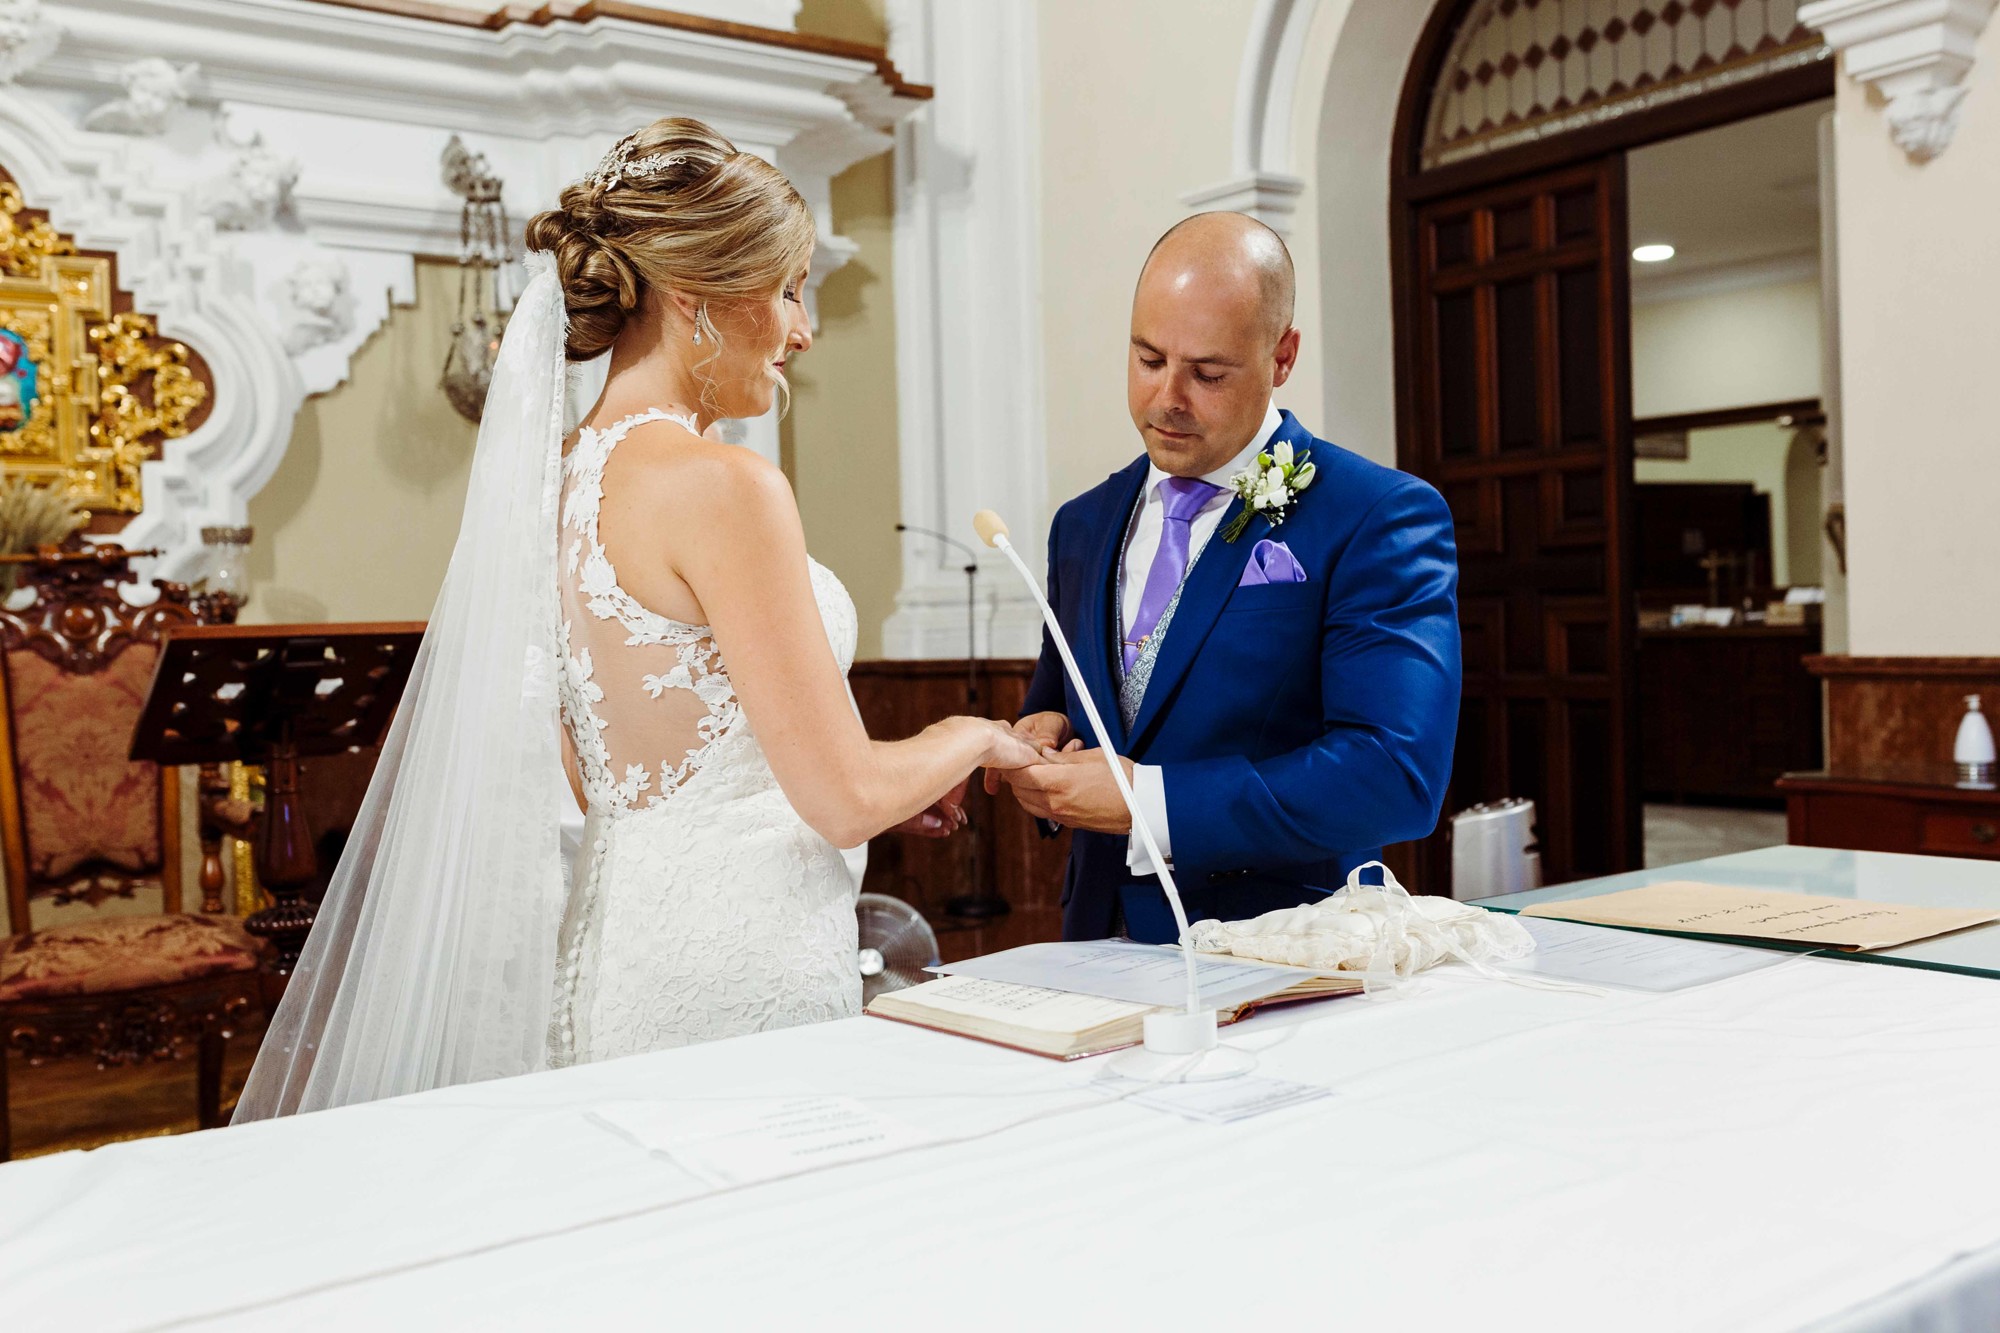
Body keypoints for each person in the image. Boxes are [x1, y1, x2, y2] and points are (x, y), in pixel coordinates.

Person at [236, 119, 1038, 1119]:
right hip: (745, 960)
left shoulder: (560, 481)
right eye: (788, 291)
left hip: (620, 952)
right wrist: (965, 734)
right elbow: (840, 798)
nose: (803, 329)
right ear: (698, 301)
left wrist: (841, 784)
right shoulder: (723, 486)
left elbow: (608, 762)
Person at [991, 212, 1460, 944]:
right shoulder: (1079, 525)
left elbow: (1393, 773)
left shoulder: (1377, 516)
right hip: (1092, 936)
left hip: (1282, 951)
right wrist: (1044, 737)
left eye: (1208, 373)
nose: (1167, 398)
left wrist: (1149, 802)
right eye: (1148, 359)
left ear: (1282, 356)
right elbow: (1071, 702)